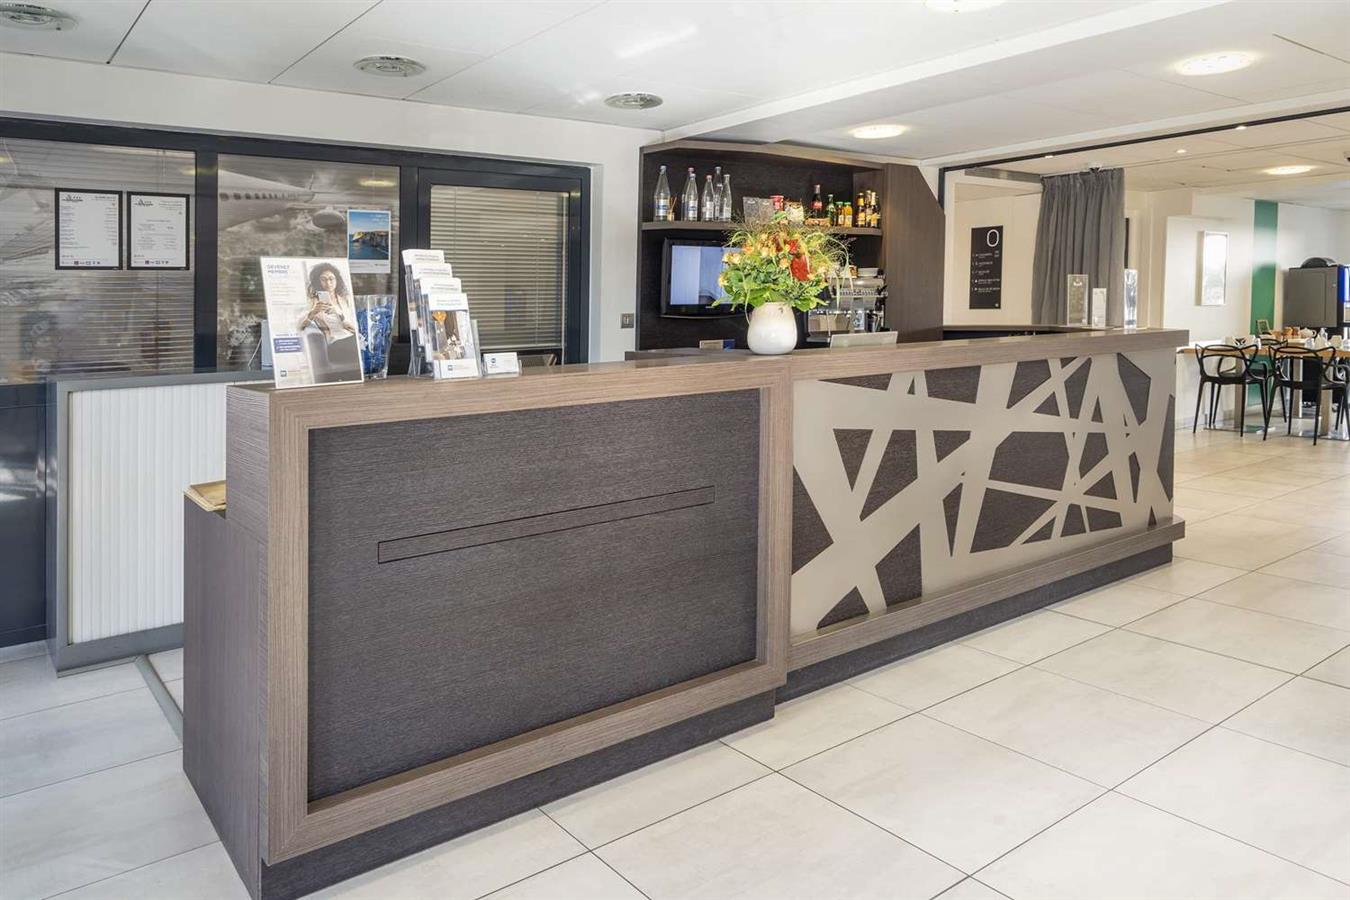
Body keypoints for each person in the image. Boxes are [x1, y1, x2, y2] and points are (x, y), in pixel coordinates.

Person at [298, 262, 357, 343]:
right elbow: (300, 327)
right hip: (335, 341)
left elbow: (354, 328)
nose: (328, 283)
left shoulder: (345, 299)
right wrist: (312, 313)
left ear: (337, 280)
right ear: (318, 281)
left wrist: (339, 314)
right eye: (323, 279)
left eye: (331, 279)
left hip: (351, 338)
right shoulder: (314, 302)